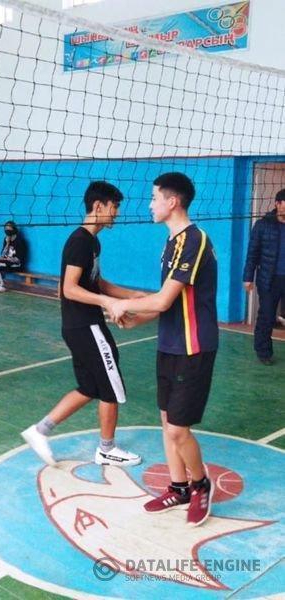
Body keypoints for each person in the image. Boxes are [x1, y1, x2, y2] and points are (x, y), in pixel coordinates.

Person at [110, 172, 218, 527]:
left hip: (193, 346)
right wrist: (139, 320)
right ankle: (179, 487)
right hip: (169, 343)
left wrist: (124, 305)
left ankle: (200, 485)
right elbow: (168, 303)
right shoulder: (171, 242)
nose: (150, 204)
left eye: (154, 198)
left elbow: (163, 299)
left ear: (173, 202)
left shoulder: (194, 240)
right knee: (166, 422)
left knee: (177, 429)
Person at [21, 181, 142, 470]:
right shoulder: (80, 241)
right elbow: (68, 289)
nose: (116, 213)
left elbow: (95, 282)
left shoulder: (93, 241)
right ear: (98, 206)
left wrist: (130, 295)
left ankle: (39, 431)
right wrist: (107, 303)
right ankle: (107, 450)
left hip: (79, 326)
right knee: (111, 387)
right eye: (114, 207)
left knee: (89, 387)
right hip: (85, 326)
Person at [243, 188, 285, 365]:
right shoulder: (262, 225)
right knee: (267, 316)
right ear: (278, 204)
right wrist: (248, 277)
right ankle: (264, 352)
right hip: (269, 279)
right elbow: (252, 252)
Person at [0, 221, 27, 293]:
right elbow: (3, 255)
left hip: (17, 265)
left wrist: (5, 259)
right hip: (7, 262)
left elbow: (18, 260)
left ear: (14, 229)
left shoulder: (20, 241)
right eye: (6, 228)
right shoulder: (6, 239)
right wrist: (7, 243)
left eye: (9, 228)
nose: (7, 230)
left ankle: (1, 286)